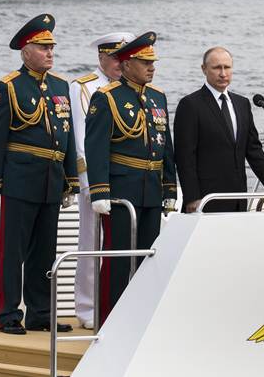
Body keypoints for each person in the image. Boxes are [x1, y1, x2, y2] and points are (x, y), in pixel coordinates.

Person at [0, 14, 79, 334]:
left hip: (51, 181)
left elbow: (67, 135)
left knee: (44, 253)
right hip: (20, 180)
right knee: (13, 253)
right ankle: (8, 314)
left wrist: (70, 181)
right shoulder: (8, 87)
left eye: (52, 47)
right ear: (25, 51)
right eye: (43, 47)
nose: (50, 52)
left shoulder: (61, 86)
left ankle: (40, 312)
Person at [84, 31, 176, 321]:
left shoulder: (157, 97)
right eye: (144, 62)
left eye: (152, 61)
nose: (152, 67)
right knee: (118, 258)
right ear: (125, 65)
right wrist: (100, 192)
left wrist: (170, 188)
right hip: (122, 191)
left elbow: (165, 147)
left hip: (151, 189)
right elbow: (95, 147)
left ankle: (141, 317)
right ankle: (109, 318)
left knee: (149, 256)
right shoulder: (106, 98)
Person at [69, 32, 134, 330]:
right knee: (92, 240)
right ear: (101, 58)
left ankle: (121, 304)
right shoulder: (84, 89)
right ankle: (87, 307)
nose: (120, 65)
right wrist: (91, 184)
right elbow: (82, 139)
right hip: (97, 179)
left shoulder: (132, 89)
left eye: (124, 59)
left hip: (127, 178)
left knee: (124, 244)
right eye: (114, 59)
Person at [174, 46, 264, 213]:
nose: (223, 73)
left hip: (238, 198)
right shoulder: (190, 105)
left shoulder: (242, 104)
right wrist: (192, 197)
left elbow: (253, 151)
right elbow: (185, 157)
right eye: (217, 68)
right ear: (204, 69)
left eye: (227, 67)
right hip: (205, 200)